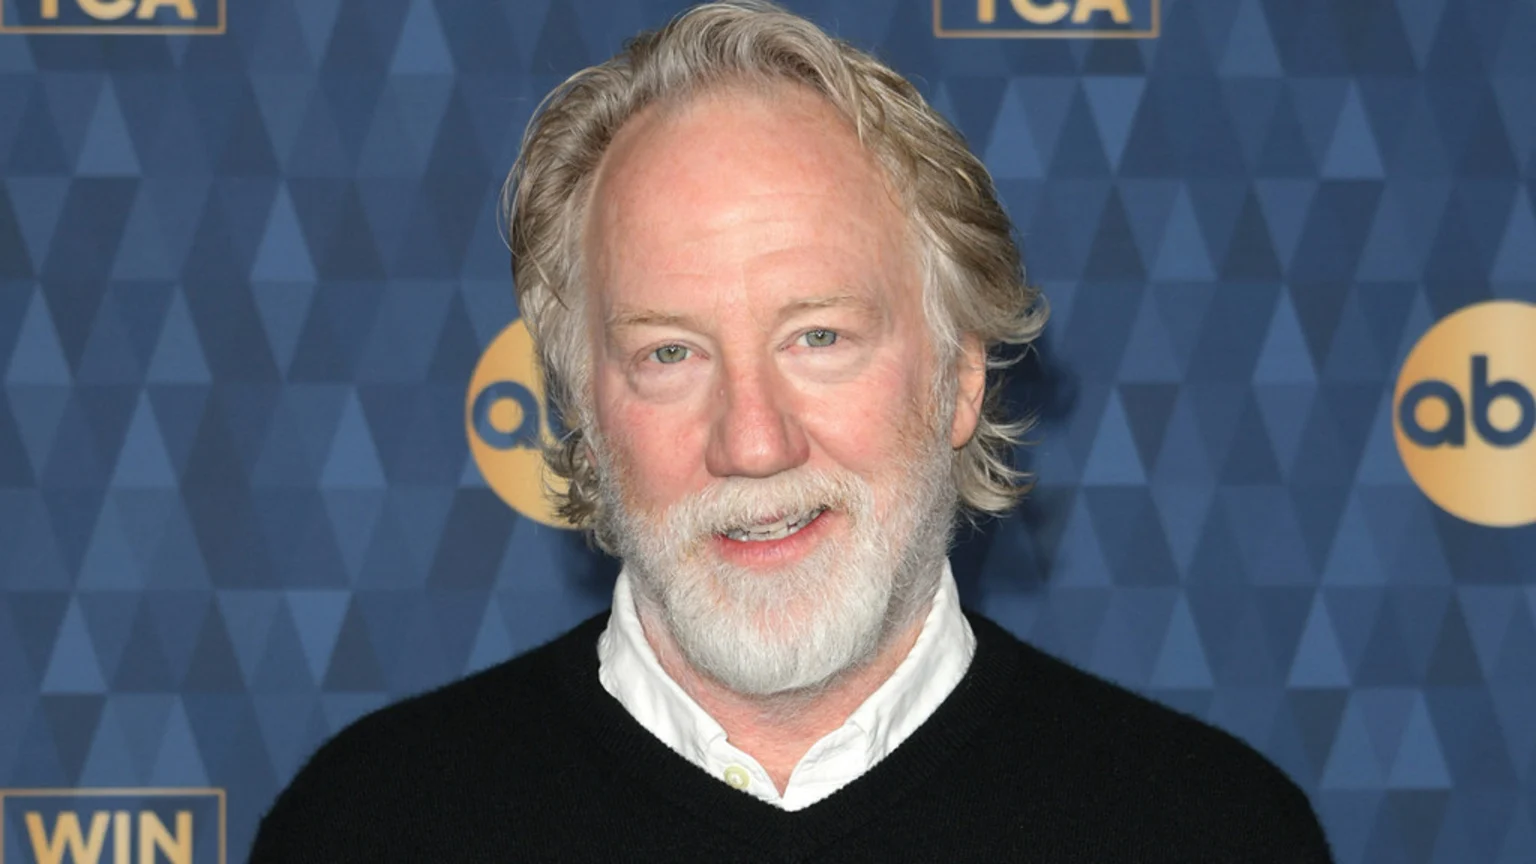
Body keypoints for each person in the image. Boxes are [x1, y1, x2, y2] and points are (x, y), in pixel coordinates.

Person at [250, 2, 1333, 860]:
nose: (754, 442)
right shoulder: (369, 828)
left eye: (818, 337)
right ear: (584, 407)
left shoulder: (1210, 832)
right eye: (670, 353)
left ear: (959, 377)